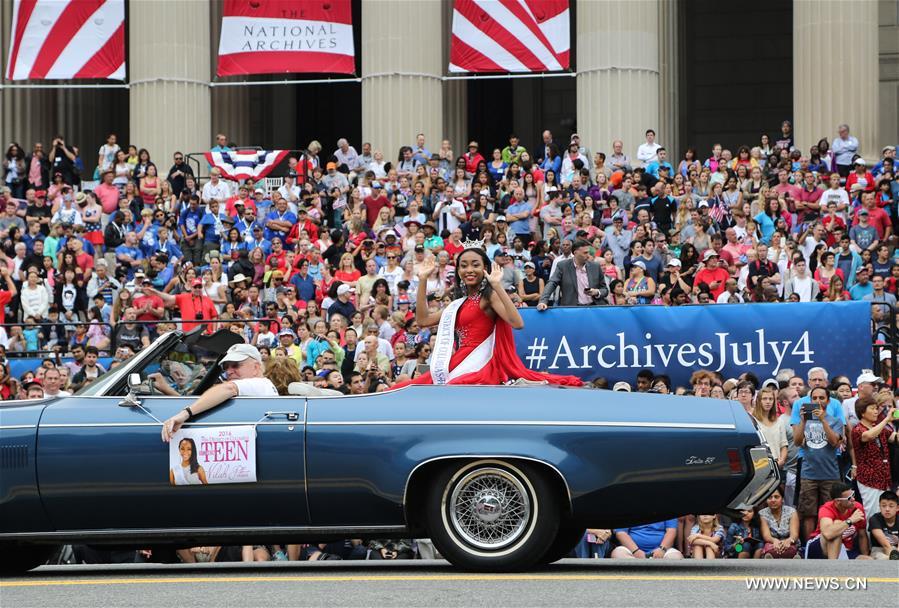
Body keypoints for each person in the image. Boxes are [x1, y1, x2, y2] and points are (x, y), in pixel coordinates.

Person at [396, 245, 581, 386]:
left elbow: (517, 323)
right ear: (458, 271)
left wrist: (497, 285)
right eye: (464, 266)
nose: (469, 270)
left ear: (485, 267)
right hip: (458, 361)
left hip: (481, 364)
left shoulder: (488, 297)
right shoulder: (457, 304)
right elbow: (423, 320)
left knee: (451, 388)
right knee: (408, 386)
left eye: (475, 265)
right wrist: (422, 280)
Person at [161, 344, 278, 442]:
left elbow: (229, 388)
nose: (229, 371)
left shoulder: (259, 384)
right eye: (226, 367)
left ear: (256, 367)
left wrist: (185, 413)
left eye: (236, 365)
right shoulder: (262, 385)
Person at [850, 396, 898, 519]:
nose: (876, 411)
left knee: (885, 515)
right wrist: (886, 420)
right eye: (872, 408)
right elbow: (868, 436)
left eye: (877, 408)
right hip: (869, 479)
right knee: (872, 513)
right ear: (862, 412)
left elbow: (894, 437)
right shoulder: (857, 429)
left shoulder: (880, 428)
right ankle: (871, 538)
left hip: (884, 478)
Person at [805, 482, 871, 559]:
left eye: (853, 494)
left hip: (845, 549)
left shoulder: (857, 507)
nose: (853, 499)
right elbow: (828, 534)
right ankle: (833, 566)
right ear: (837, 501)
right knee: (836, 526)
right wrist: (850, 520)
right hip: (820, 547)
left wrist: (866, 555)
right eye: (849, 498)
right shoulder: (826, 509)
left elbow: (862, 536)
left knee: (867, 560)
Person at [537, 239, 608, 308]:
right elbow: (552, 283)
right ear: (575, 253)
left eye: (588, 252)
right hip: (572, 310)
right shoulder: (563, 266)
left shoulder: (595, 266)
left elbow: (604, 289)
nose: (588, 255)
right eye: (585, 253)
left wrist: (597, 292)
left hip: (594, 308)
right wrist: (543, 301)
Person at [758, 486, 801, 558]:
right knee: (771, 550)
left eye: (776, 497)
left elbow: (794, 534)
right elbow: (766, 536)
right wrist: (775, 541)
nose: (773, 500)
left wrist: (788, 541)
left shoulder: (792, 512)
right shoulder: (762, 513)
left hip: (790, 542)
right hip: (772, 543)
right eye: (770, 497)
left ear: (782, 499)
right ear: (766, 500)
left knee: (791, 549)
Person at [611, 519, 683, 559]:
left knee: (676, 557)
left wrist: (662, 549)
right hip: (632, 550)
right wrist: (636, 551)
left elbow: (671, 531)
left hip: (662, 550)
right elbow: (621, 533)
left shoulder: (666, 507)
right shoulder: (628, 506)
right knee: (618, 554)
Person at [868, 490, 899, 560]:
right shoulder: (874, 519)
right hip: (879, 549)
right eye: (884, 506)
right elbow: (885, 545)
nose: (887, 509)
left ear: (897, 508)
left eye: (891, 506)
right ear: (879, 506)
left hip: (896, 549)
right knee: (881, 558)